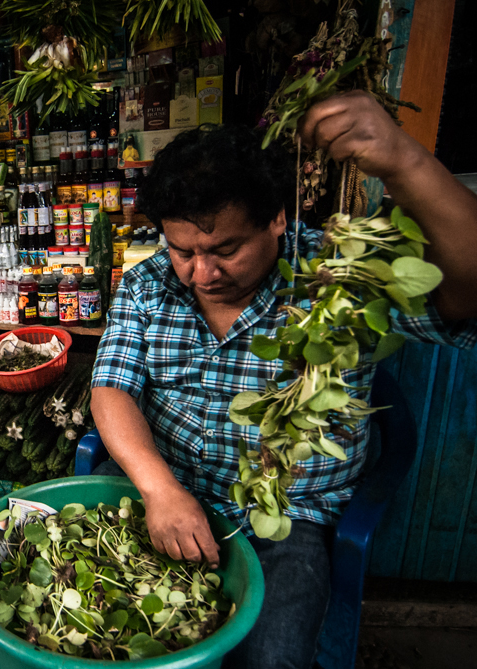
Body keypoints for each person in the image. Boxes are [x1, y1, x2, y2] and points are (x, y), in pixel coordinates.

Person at [90, 91, 477, 669]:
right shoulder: (149, 284)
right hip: (163, 487)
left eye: (225, 249)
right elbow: (111, 388)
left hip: (283, 519)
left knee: (273, 659)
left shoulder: (337, 278)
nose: (201, 273)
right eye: (182, 251)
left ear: (277, 218)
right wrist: (160, 489)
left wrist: (405, 161)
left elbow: (468, 289)